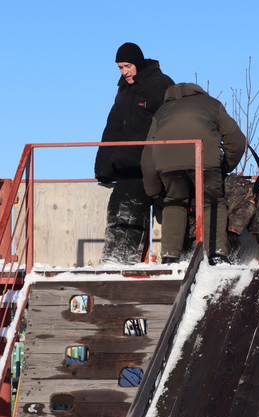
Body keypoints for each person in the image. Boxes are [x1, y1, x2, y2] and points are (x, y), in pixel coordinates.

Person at [140, 82, 246, 265]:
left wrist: (154, 192)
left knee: (174, 202)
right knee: (213, 202)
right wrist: (224, 166)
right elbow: (237, 141)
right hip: (204, 160)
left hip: (168, 164)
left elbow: (147, 156)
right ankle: (217, 254)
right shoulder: (211, 104)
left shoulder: (162, 111)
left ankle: (169, 257)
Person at [95, 42, 174, 265]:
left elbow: (171, 122)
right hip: (127, 165)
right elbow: (112, 126)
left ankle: (127, 261)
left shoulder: (161, 84)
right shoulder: (123, 90)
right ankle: (114, 261)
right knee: (118, 209)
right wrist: (103, 167)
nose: (124, 72)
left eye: (128, 66)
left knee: (157, 208)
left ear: (138, 63)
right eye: (120, 67)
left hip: (152, 162)